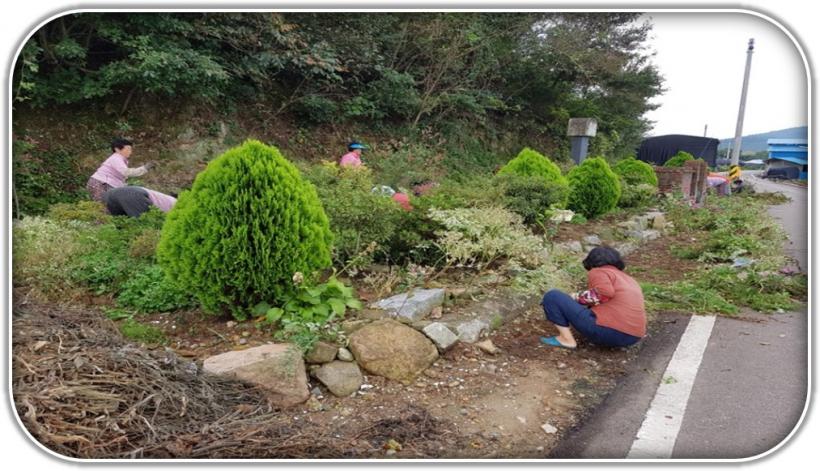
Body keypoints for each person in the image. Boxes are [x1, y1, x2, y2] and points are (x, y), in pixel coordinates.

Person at [540, 246, 646, 349]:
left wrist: (576, 296)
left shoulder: (599, 271)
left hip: (611, 333)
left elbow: (605, 293)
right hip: (634, 336)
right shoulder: (628, 279)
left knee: (553, 296)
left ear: (591, 261)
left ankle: (566, 339)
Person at [87, 138, 154, 202]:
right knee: (105, 206)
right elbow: (126, 172)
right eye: (128, 149)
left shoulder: (120, 159)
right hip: (101, 183)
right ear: (117, 149)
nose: (130, 152)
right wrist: (145, 168)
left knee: (112, 205)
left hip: (104, 183)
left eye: (131, 149)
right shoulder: (116, 158)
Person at [102, 186, 176, 217]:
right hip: (134, 196)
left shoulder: (171, 200)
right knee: (144, 224)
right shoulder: (178, 205)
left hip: (113, 194)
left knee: (121, 224)